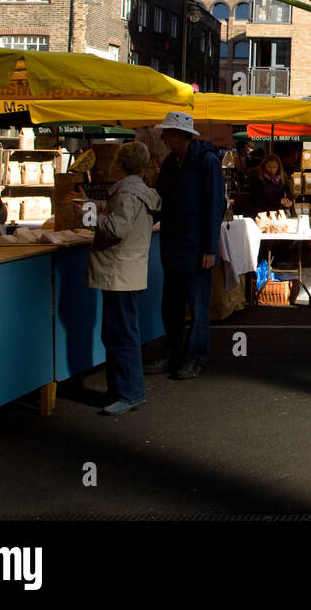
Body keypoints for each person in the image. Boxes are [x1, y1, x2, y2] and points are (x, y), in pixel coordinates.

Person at [148, 112, 225, 381]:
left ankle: (195, 357)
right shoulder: (171, 163)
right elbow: (160, 200)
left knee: (198, 306)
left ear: (181, 135)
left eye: (167, 133)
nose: (163, 138)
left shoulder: (207, 161)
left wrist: (209, 248)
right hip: (173, 245)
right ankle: (173, 352)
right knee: (171, 305)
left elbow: (215, 205)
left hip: (195, 247)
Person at [86, 143, 160, 416]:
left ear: (120, 163)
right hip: (127, 271)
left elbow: (116, 228)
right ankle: (123, 390)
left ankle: (129, 394)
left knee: (121, 334)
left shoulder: (127, 193)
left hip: (118, 271)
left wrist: (88, 213)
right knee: (121, 332)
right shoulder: (139, 192)